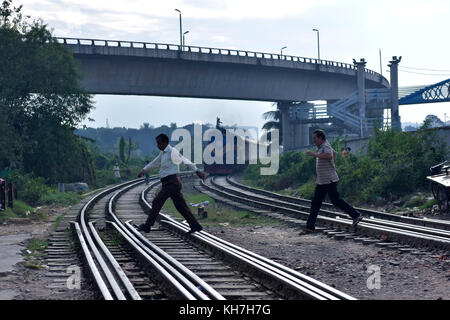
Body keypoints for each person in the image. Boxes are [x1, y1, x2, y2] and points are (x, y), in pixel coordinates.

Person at [135, 133, 206, 234]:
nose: (158, 145)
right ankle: (195, 225)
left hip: (172, 183)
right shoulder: (163, 153)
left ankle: (148, 225)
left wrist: (197, 170)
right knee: (181, 206)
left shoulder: (173, 151)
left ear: (165, 142)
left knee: (157, 201)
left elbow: (185, 160)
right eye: (157, 143)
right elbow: (155, 162)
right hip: (169, 183)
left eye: (159, 143)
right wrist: (144, 170)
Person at [300, 129, 363, 234]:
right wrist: (329, 164)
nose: (314, 140)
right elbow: (334, 153)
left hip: (329, 180)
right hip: (322, 180)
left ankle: (356, 215)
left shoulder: (325, 146)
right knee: (317, 203)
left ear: (320, 138)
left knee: (334, 201)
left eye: (315, 138)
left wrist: (315, 155)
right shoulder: (323, 146)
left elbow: (329, 155)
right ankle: (309, 227)